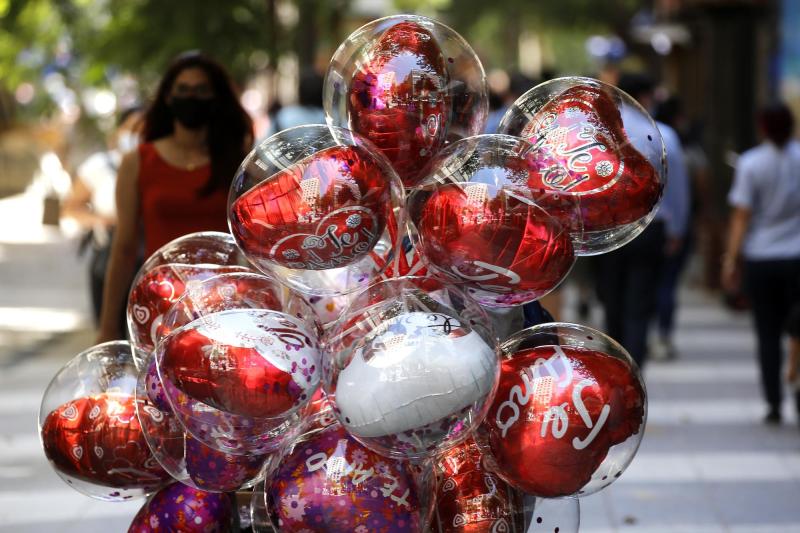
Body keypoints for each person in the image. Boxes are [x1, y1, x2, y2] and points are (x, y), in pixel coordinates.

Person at [96, 52, 253, 342]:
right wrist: (106, 326)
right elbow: (124, 247)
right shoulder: (138, 162)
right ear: (168, 97)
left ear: (215, 98)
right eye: (183, 90)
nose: (191, 97)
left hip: (225, 307)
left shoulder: (238, 164)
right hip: (158, 307)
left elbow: (255, 246)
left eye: (201, 90)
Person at [595, 73, 691, 369]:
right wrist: (677, 229)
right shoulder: (665, 135)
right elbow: (676, 189)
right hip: (651, 228)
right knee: (639, 302)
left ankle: (614, 361)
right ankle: (634, 366)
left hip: (608, 227)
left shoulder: (600, 134)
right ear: (647, 96)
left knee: (611, 300)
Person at [722, 103, 800, 425]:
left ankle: (773, 402)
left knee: (767, 333)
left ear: (763, 127)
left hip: (761, 258)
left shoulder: (751, 163)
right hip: (797, 258)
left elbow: (742, 215)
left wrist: (731, 257)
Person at [62, 106, 143, 323]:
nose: (138, 135)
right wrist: (102, 221)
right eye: (132, 129)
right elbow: (70, 208)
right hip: (109, 256)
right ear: (119, 132)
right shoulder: (99, 166)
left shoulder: (163, 166)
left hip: (149, 261)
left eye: (144, 130)